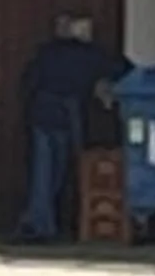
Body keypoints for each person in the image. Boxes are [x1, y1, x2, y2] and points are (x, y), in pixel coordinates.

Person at [16, 13, 130, 243]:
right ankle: (44, 223)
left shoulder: (52, 52)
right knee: (54, 172)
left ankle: (42, 223)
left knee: (48, 172)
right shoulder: (85, 54)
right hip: (58, 113)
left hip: (49, 113)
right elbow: (122, 69)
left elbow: (29, 80)